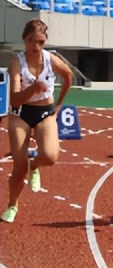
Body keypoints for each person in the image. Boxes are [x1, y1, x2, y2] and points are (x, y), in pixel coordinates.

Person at [2, 19, 74, 223]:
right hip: (21, 114)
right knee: (19, 165)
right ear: (24, 39)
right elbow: (14, 99)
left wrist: (58, 104)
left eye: (41, 42)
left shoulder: (51, 60)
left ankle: (36, 165)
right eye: (32, 41)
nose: (36, 47)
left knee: (50, 156)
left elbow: (68, 76)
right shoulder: (17, 62)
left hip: (45, 112)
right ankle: (12, 205)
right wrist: (34, 88)